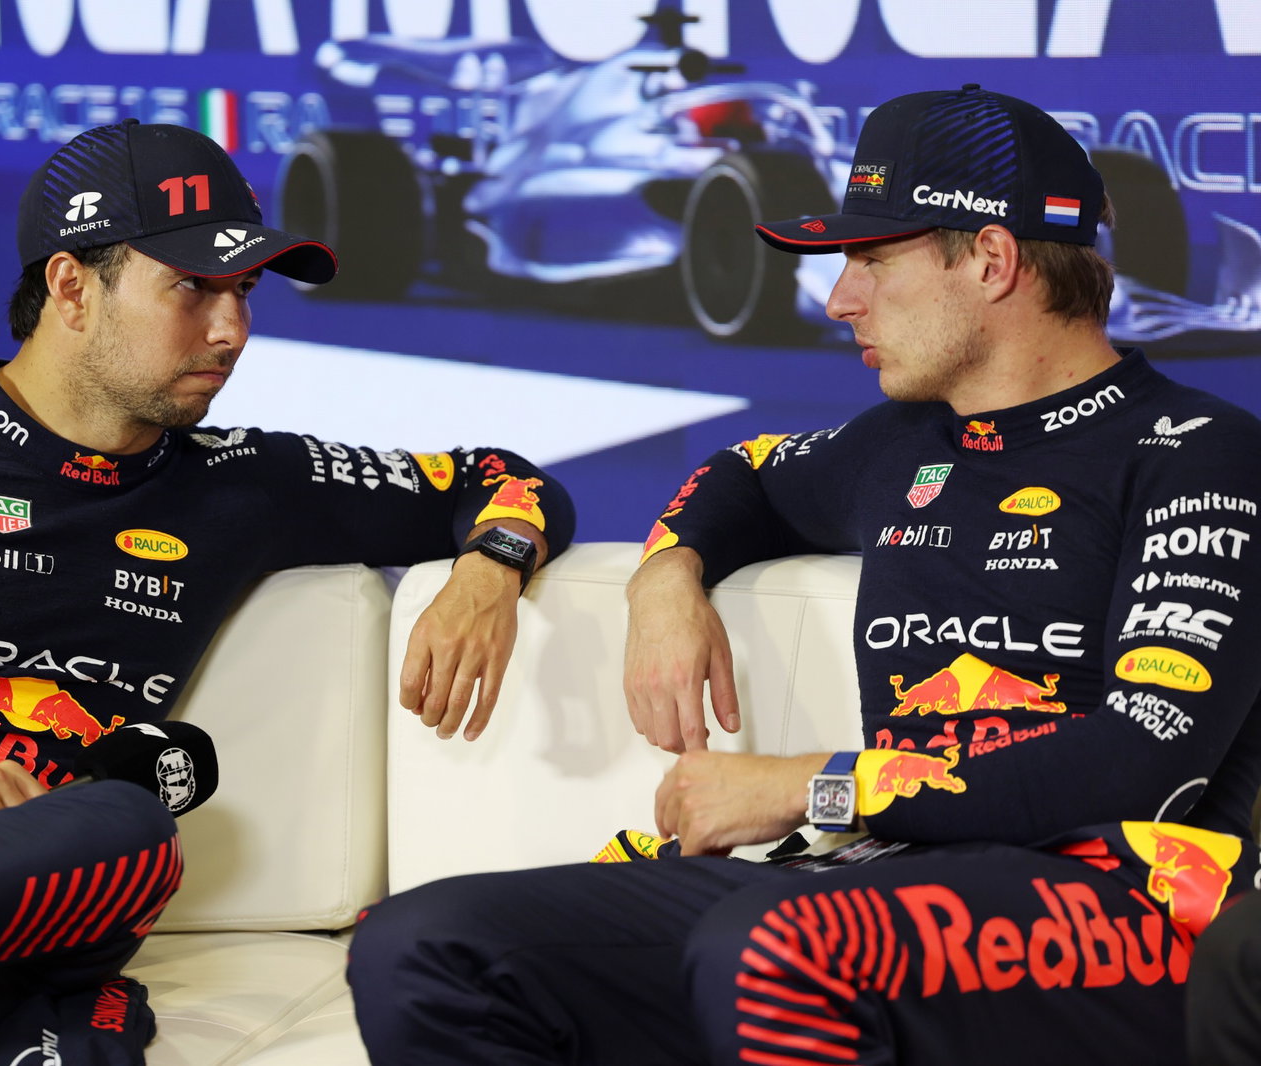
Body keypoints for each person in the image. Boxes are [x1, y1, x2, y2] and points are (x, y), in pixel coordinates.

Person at [347, 84, 1261, 1064]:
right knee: (426, 946)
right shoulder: (898, 444)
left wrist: (814, 786)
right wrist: (664, 579)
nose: (839, 300)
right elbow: (742, 474)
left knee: (766, 947)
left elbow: (1140, 759)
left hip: (1121, 899)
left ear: (991, 260)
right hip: (874, 879)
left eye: (872, 260)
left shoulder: (1200, 453)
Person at [0, 119, 573, 1064]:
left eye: (244, 290)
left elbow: (499, 476)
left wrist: (491, 565)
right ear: (70, 286)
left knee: (131, 830)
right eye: (192, 287)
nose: (232, 330)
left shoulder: (247, 480)